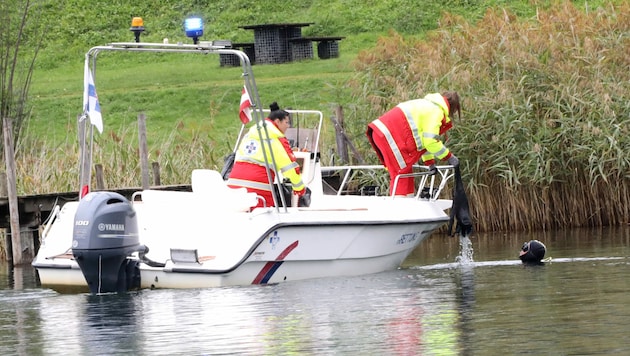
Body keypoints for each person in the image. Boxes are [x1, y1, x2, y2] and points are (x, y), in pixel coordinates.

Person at [366, 91, 462, 196]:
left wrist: (430, 163)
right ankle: (400, 208)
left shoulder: (428, 106)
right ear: (453, 108)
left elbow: (424, 142)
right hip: (390, 135)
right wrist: (449, 157)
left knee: (406, 172)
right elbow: (430, 141)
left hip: (383, 133)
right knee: (401, 172)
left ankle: (408, 203)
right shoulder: (436, 111)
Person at [227, 102, 306, 208]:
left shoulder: (250, 134)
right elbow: (290, 168)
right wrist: (299, 188)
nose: (288, 126)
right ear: (277, 121)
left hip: (233, 187)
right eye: (286, 123)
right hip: (258, 189)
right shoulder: (276, 138)